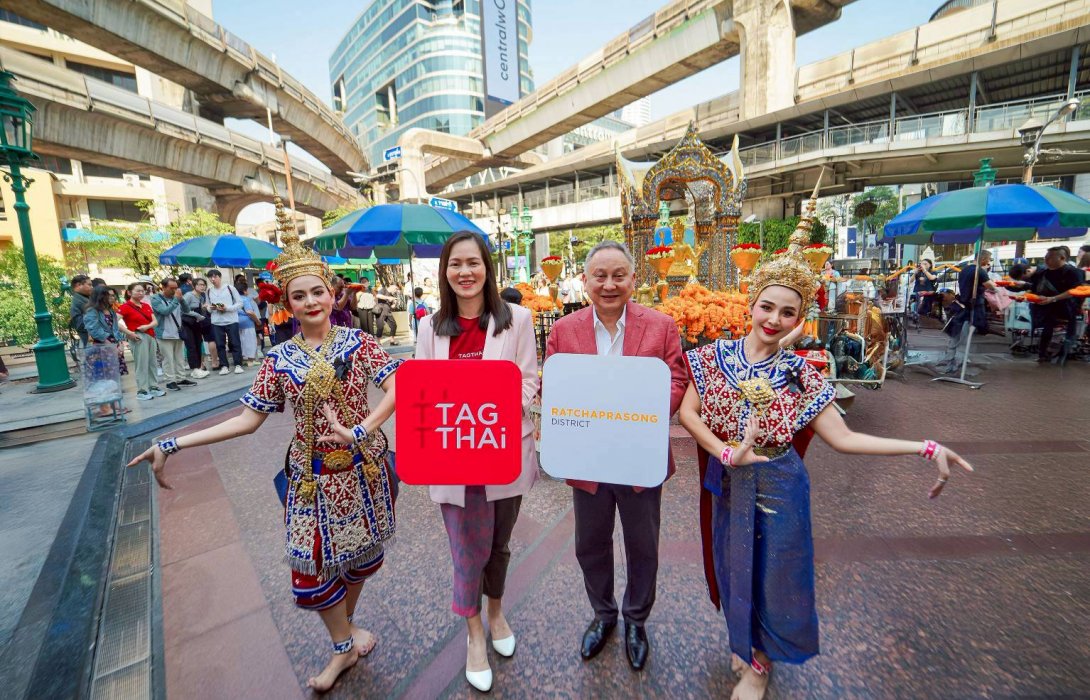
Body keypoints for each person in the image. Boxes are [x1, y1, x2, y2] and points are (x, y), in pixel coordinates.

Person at [678, 217, 972, 700]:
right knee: (732, 565)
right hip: (729, 477)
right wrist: (726, 451)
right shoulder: (713, 358)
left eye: (787, 313)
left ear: (799, 319)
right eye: (766, 307)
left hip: (780, 482)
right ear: (751, 305)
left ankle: (761, 663)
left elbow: (844, 437)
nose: (773, 319)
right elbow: (689, 412)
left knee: (776, 575)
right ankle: (743, 641)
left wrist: (925, 446)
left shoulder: (802, 375)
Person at [128, 200, 401, 692]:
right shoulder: (278, 359)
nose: (312, 301)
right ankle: (342, 647)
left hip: (365, 470)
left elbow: (399, 388)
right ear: (287, 303)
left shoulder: (361, 344)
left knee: (362, 560)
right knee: (312, 571)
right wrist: (173, 441)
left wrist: (364, 428)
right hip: (311, 479)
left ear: (332, 292)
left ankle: (348, 628)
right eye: (300, 295)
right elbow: (247, 420)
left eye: (319, 291)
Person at [543, 241, 688, 672]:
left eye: (618, 275)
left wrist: (643, 414)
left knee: (643, 546)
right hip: (587, 459)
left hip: (639, 458)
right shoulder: (564, 330)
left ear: (633, 280)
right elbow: (556, 384)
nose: (609, 284)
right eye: (599, 276)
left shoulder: (661, 326)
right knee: (590, 544)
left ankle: (636, 620)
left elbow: (676, 377)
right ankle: (604, 614)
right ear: (584, 281)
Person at [413, 231, 540, 692]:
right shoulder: (429, 327)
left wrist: (493, 407)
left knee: (499, 544)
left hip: (502, 450)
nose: (464, 272)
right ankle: (473, 634)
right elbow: (422, 392)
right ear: (444, 272)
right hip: (451, 457)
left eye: (473, 263)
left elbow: (528, 381)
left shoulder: (517, 320)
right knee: (466, 550)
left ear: (487, 268)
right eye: (455, 264)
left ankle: (496, 611)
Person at [1011, 246, 1083, 363]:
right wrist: (1024, 295)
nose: (1045, 259)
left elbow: (1075, 291)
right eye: (1045, 256)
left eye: (1049, 257)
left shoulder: (1073, 272)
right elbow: (1034, 289)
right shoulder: (1041, 272)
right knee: (1045, 326)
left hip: (1065, 308)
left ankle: (1052, 353)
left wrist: (1053, 299)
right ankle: (1043, 353)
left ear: (1062, 258)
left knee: (1051, 325)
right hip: (1042, 308)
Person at [940, 249, 998, 374]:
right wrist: (997, 289)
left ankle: (949, 362)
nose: (989, 262)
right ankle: (958, 364)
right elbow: (991, 287)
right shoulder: (980, 271)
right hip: (974, 307)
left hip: (962, 305)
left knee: (956, 334)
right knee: (965, 336)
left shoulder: (964, 270)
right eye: (988, 259)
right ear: (983, 259)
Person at [117, 282, 163, 401]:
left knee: (152, 362)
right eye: (138, 291)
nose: (141, 293)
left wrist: (146, 327)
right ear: (129, 292)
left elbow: (155, 322)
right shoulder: (125, 307)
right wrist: (129, 333)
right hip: (137, 336)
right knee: (141, 364)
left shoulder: (146, 305)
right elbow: (115, 322)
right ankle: (142, 390)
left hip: (150, 335)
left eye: (142, 291)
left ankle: (154, 386)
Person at [151, 277, 197, 391]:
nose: (175, 290)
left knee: (180, 358)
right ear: (164, 287)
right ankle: (170, 381)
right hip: (164, 334)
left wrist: (181, 299)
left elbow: (187, 310)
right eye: (172, 288)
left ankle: (181, 378)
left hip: (178, 332)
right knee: (168, 359)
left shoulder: (177, 298)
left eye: (176, 288)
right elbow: (165, 311)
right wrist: (176, 299)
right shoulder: (156, 299)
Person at [84, 285, 132, 378]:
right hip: (102, 346)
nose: (112, 298)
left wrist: (120, 344)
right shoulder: (92, 311)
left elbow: (115, 328)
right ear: (100, 296)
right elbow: (94, 329)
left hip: (114, 344)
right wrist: (110, 345)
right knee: (106, 375)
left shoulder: (111, 310)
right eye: (109, 295)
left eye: (113, 295)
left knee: (116, 374)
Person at [206, 269, 244, 375]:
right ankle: (224, 366)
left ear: (220, 277)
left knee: (235, 343)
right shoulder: (209, 291)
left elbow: (240, 303)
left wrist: (227, 308)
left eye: (215, 277)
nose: (213, 279)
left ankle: (238, 364)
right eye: (210, 277)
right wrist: (211, 308)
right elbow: (208, 306)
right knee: (220, 344)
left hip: (231, 320)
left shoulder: (229, 288)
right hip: (216, 321)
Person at [182, 278, 212, 378]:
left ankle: (198, 367)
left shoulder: (201, 297)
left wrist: (204, 309)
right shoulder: (188, 296)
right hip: (187, 323)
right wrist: (197, 315)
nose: (202, 287)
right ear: (194, 285)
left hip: (197, 324)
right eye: (200, 285)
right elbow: (182, 309)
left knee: (198, 344)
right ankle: (194, 369)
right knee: (191, 346)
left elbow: (201, 311)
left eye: (204, 285)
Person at [235, 279, 261, 364]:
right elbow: (249, 312)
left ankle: (245, 359)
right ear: (244, 291)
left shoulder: (234, 300)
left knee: (242, 341)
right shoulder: (245, 299)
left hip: (237, 323)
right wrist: (257, 321)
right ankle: (251, 360)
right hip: (248, 323)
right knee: (250, 341)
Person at [68, 274, 93, 347]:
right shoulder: (79, 301)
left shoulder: (84, 298)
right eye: (89, 285)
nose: (92, 287)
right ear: (78, 285)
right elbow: (80, 325)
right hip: (91, 341)